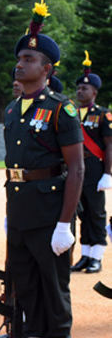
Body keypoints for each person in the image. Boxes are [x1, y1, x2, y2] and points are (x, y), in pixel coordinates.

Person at [0, 0, 83, 338]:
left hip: (51, 213)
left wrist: (65, 224)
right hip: (22, 211)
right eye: (20, 58)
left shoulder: (61, 109)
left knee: (54, 292)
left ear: (46, 69)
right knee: (27, 291)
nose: (21, 63)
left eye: (29, 59)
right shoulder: (13, 110)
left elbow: (76, 169)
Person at [70, 52, 112, 274]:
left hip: (95, 169)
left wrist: (108, 173)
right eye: (78, 88)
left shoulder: (103, 115)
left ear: (94, 92)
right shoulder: (72, 114)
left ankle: (97, 257)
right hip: (77, 170)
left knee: (96, 213)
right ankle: (85, 255)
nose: (80, 91)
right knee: (82, 212)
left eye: (84, 89)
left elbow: (109, 145)